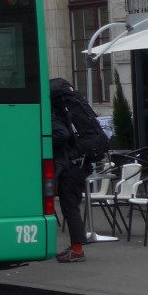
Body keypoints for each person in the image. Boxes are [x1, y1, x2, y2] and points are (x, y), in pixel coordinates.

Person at [50, 78, 96, 263]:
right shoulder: (70, 112)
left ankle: (77, 251)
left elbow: (62, 134)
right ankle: (75, 247)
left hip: (71, 165)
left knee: (70, 208)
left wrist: (43, 143)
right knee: (71, 207)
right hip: (80, 163)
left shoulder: (57, 114)